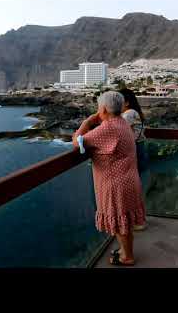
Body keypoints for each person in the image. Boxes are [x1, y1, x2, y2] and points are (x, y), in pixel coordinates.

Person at [72, 91, 146, 266]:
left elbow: (77, 141)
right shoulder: (122, 123)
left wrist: (87, 122)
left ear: (103, 108)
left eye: (99, 107)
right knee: (125, 220)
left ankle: (127, 257)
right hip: (129, 179)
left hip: (115, 184)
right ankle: (124, 251)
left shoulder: (107, 128)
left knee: (121, 223)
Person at [118, 88, 148, 231]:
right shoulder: (134, 112)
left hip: (135, 151)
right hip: (139, 149)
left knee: (131, 189)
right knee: (134, 187)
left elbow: (118, 131)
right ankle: (138, 219)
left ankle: (137, 221)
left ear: (127, 102)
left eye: (119, 100)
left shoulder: (129, 114)